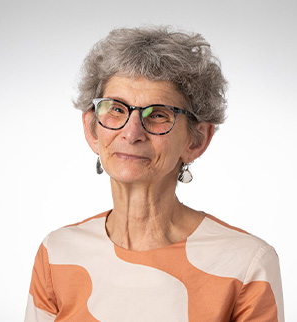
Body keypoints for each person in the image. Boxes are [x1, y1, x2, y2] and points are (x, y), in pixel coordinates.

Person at [24, 26, 284, 322]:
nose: (131, 132)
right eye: (116, 109)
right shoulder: (57, 253)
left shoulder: (246, 265)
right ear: (92, 129)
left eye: (158, 114)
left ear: (197, 140)